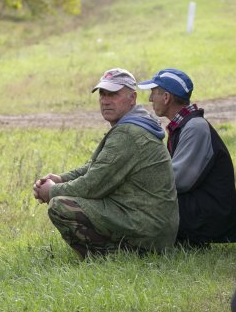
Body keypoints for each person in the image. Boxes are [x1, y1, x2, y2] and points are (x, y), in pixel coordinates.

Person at [33, 68, 179, 256]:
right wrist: (61, 178)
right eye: (102, 94)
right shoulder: (134, 124)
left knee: (60, 206)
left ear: (132, 98)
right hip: (149, 223)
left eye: (113, 94)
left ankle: (118, 255)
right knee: (67, 199)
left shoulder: (128, 133)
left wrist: (51, 191)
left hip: (147, 230)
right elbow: (97, 166)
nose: (105, 101)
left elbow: (92, 185)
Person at [138, 68, 236, 245]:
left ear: (166, 97)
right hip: (199, 210)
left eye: (154, 93)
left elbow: (179, 180)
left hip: (209, 217)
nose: (150, 99)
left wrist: (139, 183)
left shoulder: (195, 127)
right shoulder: (185, 125)